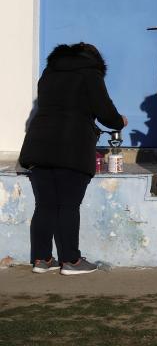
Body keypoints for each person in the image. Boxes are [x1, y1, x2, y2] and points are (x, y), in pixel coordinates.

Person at [18, 43, 127, 275]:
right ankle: (71, 261)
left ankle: (41, 259)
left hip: (39, 146)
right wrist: (119, 122)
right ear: (94, 59)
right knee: (68, 205)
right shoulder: (90, 74)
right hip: (72, 147)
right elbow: (104, 110)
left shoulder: (49, 73)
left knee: (44, 205)